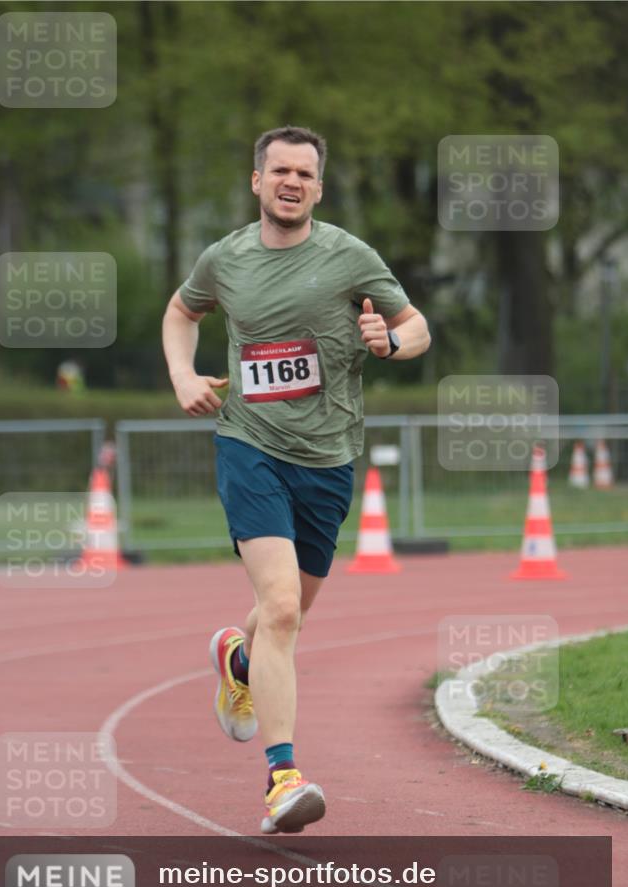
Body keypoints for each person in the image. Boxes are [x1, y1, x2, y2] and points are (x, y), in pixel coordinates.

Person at [162, 125, 430, 834]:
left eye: (304, 174)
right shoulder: (226, 258)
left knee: (288, 614)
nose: (291, 182)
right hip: (248, 445)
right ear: (257, 181)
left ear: (318, 188)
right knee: (280, 606)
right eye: (279, 170)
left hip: (328, 458)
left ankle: (238, 660)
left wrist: (390, 342)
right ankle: (283, 780)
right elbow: (182, 311)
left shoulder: (350, 257)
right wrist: (183, 375)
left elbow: (416, 326)